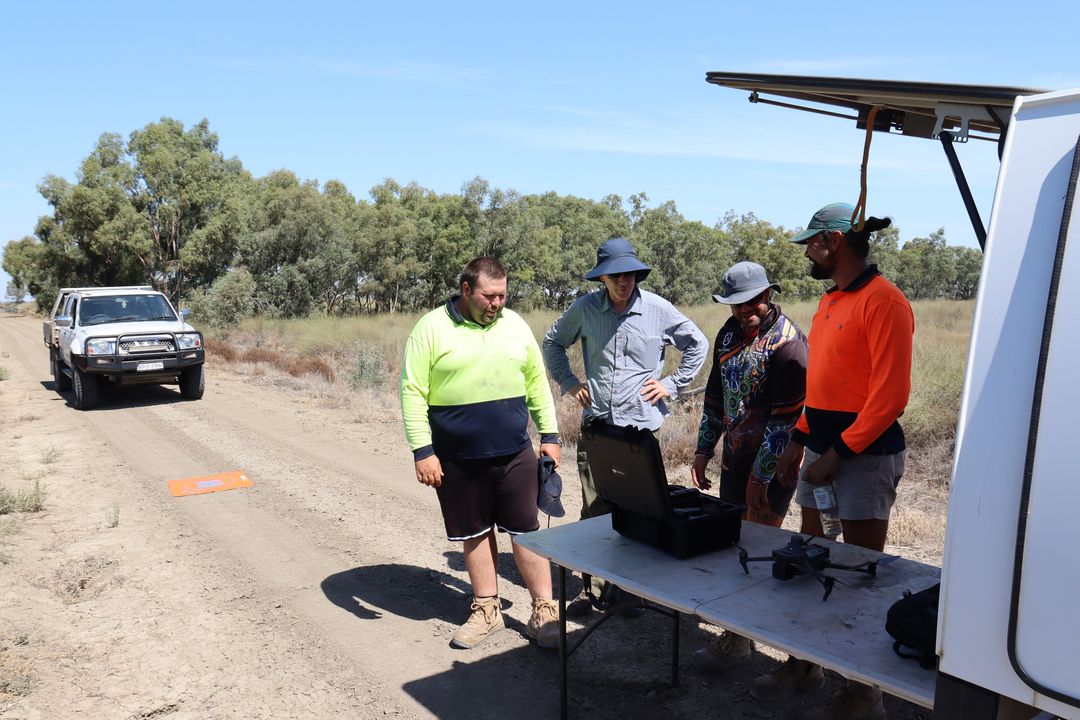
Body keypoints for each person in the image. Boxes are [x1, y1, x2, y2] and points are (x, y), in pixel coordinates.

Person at [751, 203, 914, 720]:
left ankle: (865, 692)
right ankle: (805, 664)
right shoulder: (830, 302)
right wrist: (798, 441)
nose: (806, 255)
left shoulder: (885, 302)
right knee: (810, 560)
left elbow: (890, 398)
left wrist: (838, 454)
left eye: (811, 245)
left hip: (865, 459)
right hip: (822, 453)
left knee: (860, 573)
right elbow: (822, 388)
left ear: (833, 242)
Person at [400, 256, 562, 650]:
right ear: (466, 289)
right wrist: (422, 450)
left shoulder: (515, 324)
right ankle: (487, 609)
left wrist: (550, 433)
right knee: (474, 533)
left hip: (515, 453)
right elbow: (412, 391)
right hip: (457, 458)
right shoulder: (430, 328)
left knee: (527, 532)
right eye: (489, 296)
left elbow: (536, 382)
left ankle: (544, 611)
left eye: (503, 295)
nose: (497, 303)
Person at [542, 236, 708, 616]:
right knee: (594, 509)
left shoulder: (657, 309)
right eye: (615, 275)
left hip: (640, 430)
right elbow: (553, 343)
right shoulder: (585, 309)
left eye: (629, 274)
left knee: (640, 510)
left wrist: (671, 385)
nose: (623, 281)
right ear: (602, 278)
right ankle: (593, 588)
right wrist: (570, 383)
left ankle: (631, 589)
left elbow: (697, 344)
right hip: (598, 426)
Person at [689, 261, 807, 672]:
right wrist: (703, 450)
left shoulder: (788, 344)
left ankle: (760, 634)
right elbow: (715, 399)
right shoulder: (727, 335)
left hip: (771, 465)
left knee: (760, 548)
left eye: (752, 300)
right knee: (735, 544)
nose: (745, 309)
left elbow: (786, 421)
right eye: (736, 302)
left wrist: (762, 476)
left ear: (768, 295)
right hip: (734, 458)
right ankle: (737, 636)